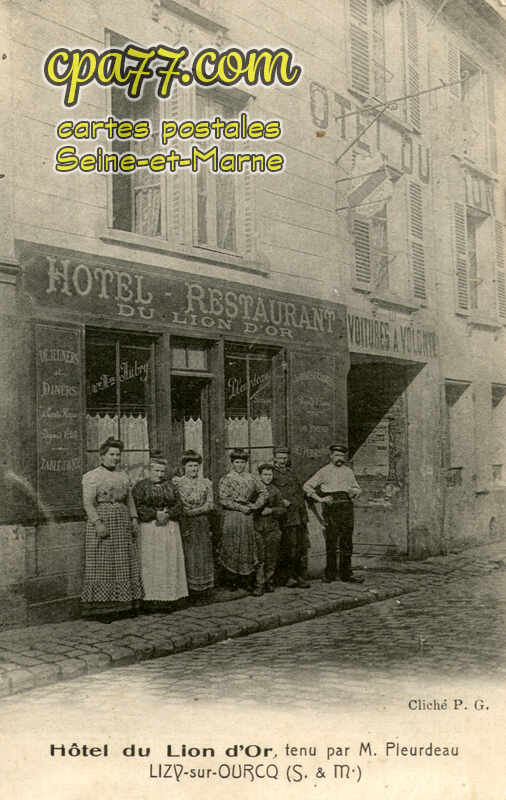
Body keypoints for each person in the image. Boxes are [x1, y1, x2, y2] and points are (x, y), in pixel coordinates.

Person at [81, 436, 143, 622]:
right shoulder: (92, 476)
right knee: (103, 562)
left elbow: (129, 499)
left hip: (122, 522)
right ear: (102, 456)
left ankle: (124, 606)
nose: (116, 458)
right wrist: (98, 523)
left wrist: (133, 519)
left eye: (118, 454)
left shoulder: (123, 475)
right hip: (103, 521)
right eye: (112, 454)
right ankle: (102, 609)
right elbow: (88, 503)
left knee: (123, 560)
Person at [132, 452, 188, 612]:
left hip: (169, 527)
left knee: (169, 561)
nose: (159, 474)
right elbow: (137, 506)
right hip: (150, 528)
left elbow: (179, 505)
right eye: (156, 470)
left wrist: (168, 514)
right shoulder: (140, 487)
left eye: (162, 471)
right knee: (151, 562)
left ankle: (170, 598)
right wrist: (155, 514)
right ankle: (150, 600)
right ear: (149, 470)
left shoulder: (171, 486)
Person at [303, 444, 364, 584]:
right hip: (332, 508)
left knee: (347, 541)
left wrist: (354, 492)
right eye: (336, 455)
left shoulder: (348, 471)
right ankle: (330, 574)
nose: (339, 458)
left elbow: (357, 488)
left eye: (342, 456)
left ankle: (346, 574)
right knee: (331, 541)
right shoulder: (324, 471)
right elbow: (307, 486)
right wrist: (320, 499)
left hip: (346, 507)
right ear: (331, 456)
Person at [218, 449, 267, 592]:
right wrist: (240, 507)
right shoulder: (226, 478)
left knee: (246, 546)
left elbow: (264, 492)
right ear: (232, 463)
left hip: (247, 517)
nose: (240, 465)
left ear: (246, 463)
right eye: (237, 462)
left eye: (242, 462)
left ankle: (246, 579)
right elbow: (223, 499)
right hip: (232, 515)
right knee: (231, 545)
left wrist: (255, 505)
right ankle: (231, 580)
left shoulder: (251, 478)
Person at [173, 450, 215, 604]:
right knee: (188, 555)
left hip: (202, 523)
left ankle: (203, 591)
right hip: (185, 523)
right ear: (184, 467)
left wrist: (194, 511)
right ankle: (188, 592)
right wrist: (188, 512)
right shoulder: (178, 483)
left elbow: (210, 504)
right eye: (190, 466)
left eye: (196, 466)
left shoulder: (206, 483)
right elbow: (178, 505)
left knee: (202, 555)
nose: (194, 469)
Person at [272, 446, 310, 588]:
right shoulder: (272, 474)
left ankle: (298, 576)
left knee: (300, 547)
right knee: (288, 547)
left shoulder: (291, 473)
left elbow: (299, 492)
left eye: (285, 458)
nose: (282, 460)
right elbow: (269, 492)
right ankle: (287, 577)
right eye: (279, 458)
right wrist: (281, 501)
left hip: (299, 515)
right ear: (274, 458)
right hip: (286, 516)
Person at [252, 463, 286, 595]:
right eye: (265, 474)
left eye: (270, 474)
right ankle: (259, 584)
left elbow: (282, 509)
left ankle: (269, 581)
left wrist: (271, 510)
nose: (268, 477)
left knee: (272, 556)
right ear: (260, 476)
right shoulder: (254, 490)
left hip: (273, 528)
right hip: (258, 528)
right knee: (260, 557)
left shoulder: (275, 491)